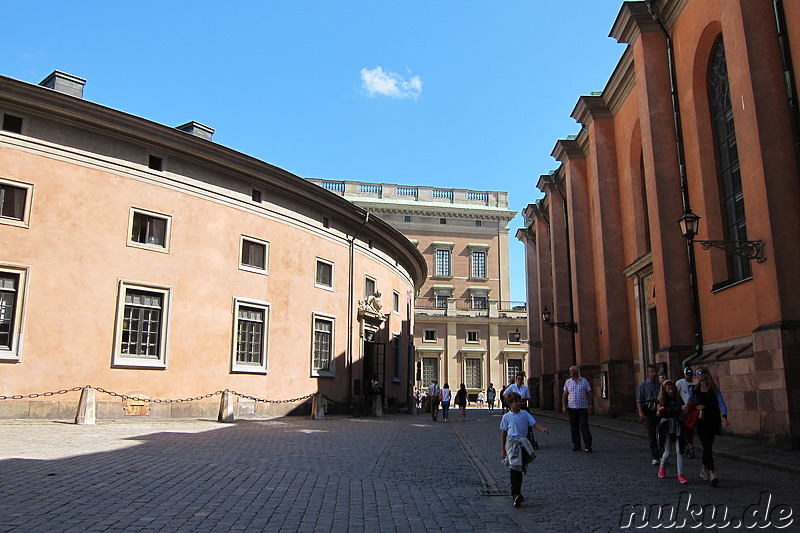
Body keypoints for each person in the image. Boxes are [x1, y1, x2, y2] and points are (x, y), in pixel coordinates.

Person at [500, 392, 549, 508]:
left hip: (523, 444)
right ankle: (515, 493)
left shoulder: (525, 414)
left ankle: (518, 491)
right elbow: (503, 433)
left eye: (519, 401)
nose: (519, 403)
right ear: (510, 404)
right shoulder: (506, 417)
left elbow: (533, 424)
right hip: (512, 444)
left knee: (520, 469)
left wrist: (542, 429)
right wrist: (503, 449)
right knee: (514, 468)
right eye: (516, 402)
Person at [689, 366, 729, 486]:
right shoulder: (695, 390)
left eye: (700, 373)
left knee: (708, 446)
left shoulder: (714, 389)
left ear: (706, 374)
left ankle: (703, 469)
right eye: (696, 374)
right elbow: (689, 405)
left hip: (713, 421)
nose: (698, 376)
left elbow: (722, 403)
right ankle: (712, 474)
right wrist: (696, 407)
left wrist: (724, 416)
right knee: (707, 446)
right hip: (701, 422)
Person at [656, 380, 688, 484]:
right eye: (668, 389)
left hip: (677, 424)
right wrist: (659, 411)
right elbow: (658, 413)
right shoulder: (662, 400)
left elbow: (682, 409)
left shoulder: (677, 399)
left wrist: (684, 410)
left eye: (672, 389)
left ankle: (680, 474)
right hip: (666, 425)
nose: (670, 391)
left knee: (680, 451)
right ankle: (662, 467)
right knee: (668, 451)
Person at [562, 365, 593, 452]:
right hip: (571, 408)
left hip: (583, 408)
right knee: (574, 427)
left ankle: (588, 445)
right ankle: (577, 445)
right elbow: (565, 394)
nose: (570, 372)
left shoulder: (584, 381)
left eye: (571, 371)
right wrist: (564, 406)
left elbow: (589, 393)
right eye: (569, 371)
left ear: (576, 371)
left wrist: (590, 406)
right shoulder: (568, 382)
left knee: (584, 425)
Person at [637, 364, 662, 465]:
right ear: (648, 373)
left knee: (662, 434)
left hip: (659, 409)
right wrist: (640, 412)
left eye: (655, 372)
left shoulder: (660, 385)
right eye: (652, 372)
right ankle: (655, 456)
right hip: (648, 410)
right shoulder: (643, 385)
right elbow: (639, 400)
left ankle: (662, 455)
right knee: (652, 434)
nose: (654, 374)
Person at [504, 373, 536, 447]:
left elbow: (528, 397)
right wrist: (511, 400)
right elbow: (505, 394)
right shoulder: (512, 387)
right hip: (514, 406)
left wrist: (522, 398)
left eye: (521, 379)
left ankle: (528, 439)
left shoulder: (525, 388)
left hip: (523, 405)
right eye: (518, 379)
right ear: (516, 380)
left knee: (526, 422)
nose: (519, 380)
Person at [675, 367, 697, 458]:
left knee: (690, 430)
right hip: (684, 409)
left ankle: (689, 447)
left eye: (690, 374)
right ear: (684, 374)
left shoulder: (696, 383)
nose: (689, 376)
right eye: (687, 374)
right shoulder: (680, 383)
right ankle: (688, 447)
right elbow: (676, 395)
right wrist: (680, 406)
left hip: (693, 409)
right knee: (685, 429)